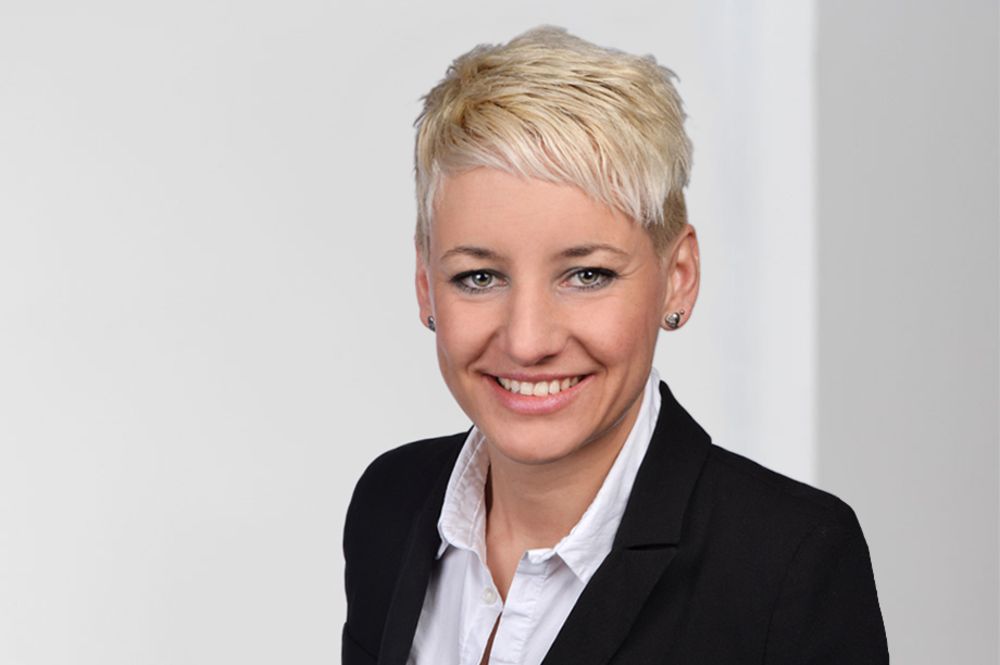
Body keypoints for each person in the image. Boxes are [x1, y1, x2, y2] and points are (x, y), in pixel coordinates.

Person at [342, 25, 888, 665]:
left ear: (678, 277)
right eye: (479, 277)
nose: (528, 341)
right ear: (424, 284)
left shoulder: (787, 561)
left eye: (587, 275)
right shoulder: (391, 503)